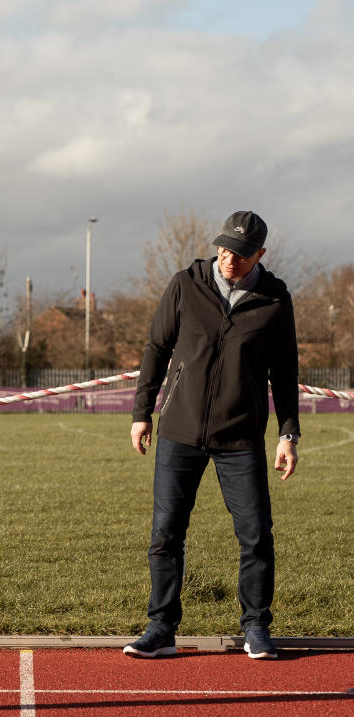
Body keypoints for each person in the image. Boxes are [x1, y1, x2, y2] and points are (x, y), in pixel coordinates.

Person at [124, 210, 299, 661]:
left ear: (259, 253)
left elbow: (285, 371)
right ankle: (161, 628)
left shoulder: (275, 298)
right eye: (223, 247)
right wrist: (142, 412)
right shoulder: (186, 283)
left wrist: (288, 434)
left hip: (240, 438)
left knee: (256, 534)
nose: (229, 258)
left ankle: (256, 627)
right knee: (165, 533)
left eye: (240, 253)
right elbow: (157, 347)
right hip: (178, 431)